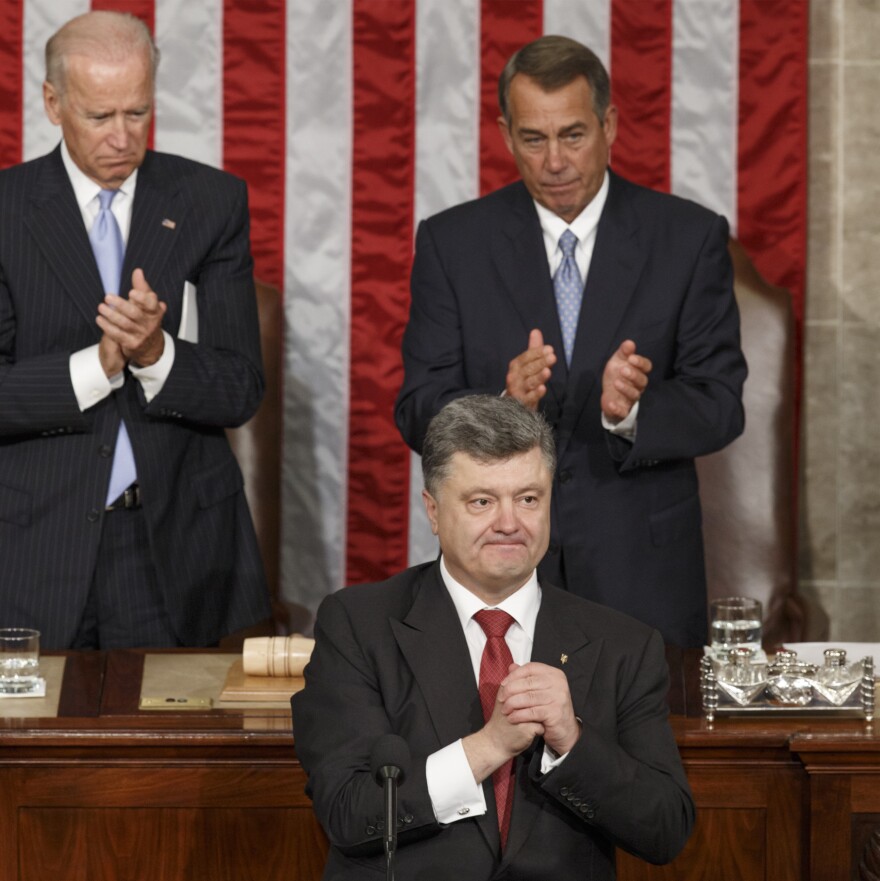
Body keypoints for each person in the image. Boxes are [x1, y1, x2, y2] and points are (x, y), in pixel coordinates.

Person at [394, 35, 748, 648]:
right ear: (506, 134)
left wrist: (632, 410)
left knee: (643, 744)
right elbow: (417, 408)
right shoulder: (454, 244)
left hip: (642, 577)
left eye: (573, 135)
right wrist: (500, 407)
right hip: (497, 576)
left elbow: (720, 403)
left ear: (608, 125)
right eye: (534, 139)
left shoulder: (687, 238)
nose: (555, 161)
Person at [292, 395, 695, 880]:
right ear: (434, 511)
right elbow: (348, 814)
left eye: (528, 499)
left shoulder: (624, 644)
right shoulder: (358, 625)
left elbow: (665, 830)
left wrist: (572, 740)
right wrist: (489, 746)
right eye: (482, 501)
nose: (509, 523)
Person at [0, 11, 270, 649]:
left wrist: (157, 353)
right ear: (53, 103)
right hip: (35, 545)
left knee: (178, 749)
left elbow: (240, 389)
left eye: (138, 113)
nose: (123, 137)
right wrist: (100, 364)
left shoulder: (211, 201)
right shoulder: (7, 211)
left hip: (174, 544)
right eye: (100, 117)